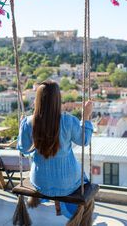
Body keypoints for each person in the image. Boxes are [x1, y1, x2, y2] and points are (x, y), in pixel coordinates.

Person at [17, 80, 94, 225]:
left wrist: (22, 128)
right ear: (58, 99)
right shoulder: (68, 121)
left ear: (38, 99)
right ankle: (70, 212)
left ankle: (53, 201)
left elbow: (23, 149)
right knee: (83, 177)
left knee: (53, 174)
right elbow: (84, 141)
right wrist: (86, 117)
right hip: (68, 183)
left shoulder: (28, 122)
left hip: (40, 181)